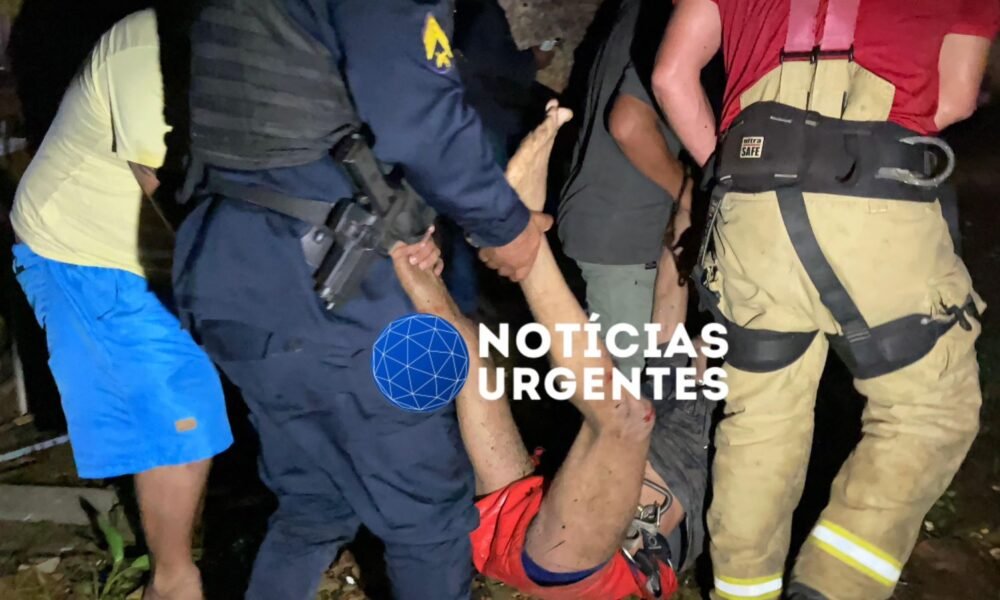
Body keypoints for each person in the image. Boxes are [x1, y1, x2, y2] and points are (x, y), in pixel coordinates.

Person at [172, 1, 551, 599]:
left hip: (231, 267)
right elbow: (416, 117)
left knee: (314, 504)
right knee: (428, 521)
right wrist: (508, 227)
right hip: (335, 287)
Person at [653, 0, 998, 598]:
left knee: (760, 422)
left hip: (751, 207)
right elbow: (956, 98)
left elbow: (670, 76)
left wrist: (744, 168)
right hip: (874, 196)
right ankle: (832, 587)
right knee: (927, 412)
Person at [394, 101, 710, 600]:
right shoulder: (691, 396)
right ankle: (409, 253)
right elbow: (672, 293)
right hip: (527, 539)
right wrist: (691, 195)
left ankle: (514, 237)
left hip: (564, 561)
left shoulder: (705, 414)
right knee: (470, 354)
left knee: (624, 418)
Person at [9, 9, 233, 600]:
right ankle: (172, 583)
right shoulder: (146, 56)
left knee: (198, 409)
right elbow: (175, 197)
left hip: (157, 248)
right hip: (86, 249)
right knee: (182, 411)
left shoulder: (259, 39)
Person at [558, 0, 692, 375]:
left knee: (625, 386)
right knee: (631, 399)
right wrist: (687, 192)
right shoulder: (672, 18)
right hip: (624, 235)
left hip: (605, 222)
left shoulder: (636, 12)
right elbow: (629, 124)